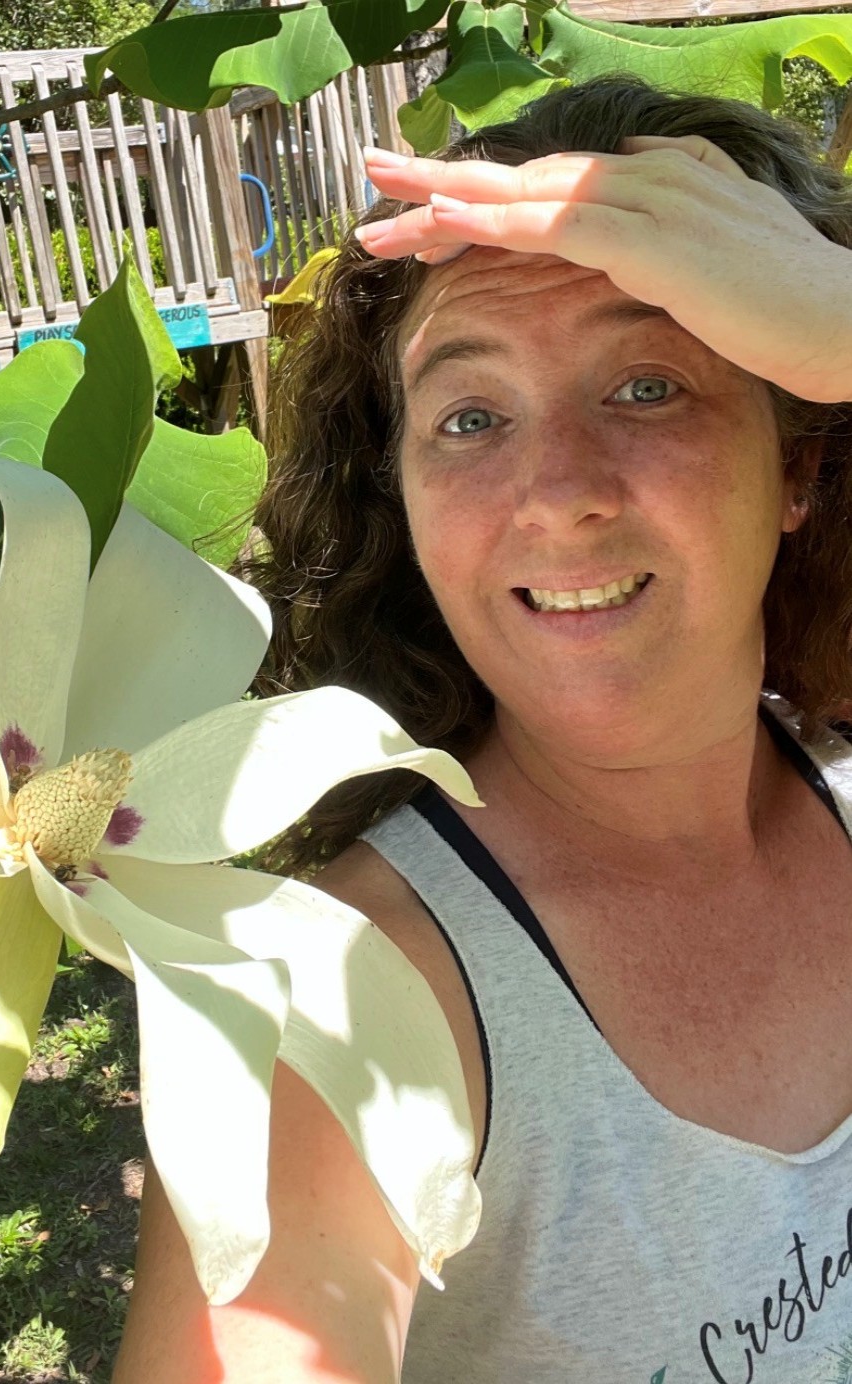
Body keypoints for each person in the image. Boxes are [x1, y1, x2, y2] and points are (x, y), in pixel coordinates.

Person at [115, 76, 852, 1383]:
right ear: (400, 498)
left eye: (645, 386)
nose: (556, 496)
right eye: (468, 418)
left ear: (796, 457)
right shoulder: (333, 997)